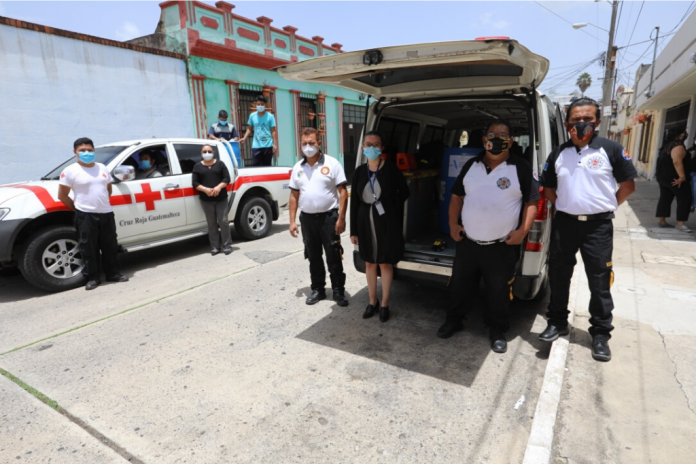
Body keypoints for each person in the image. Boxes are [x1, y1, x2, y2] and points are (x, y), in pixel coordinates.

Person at [539, 97, 637, 362]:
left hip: (598, 228)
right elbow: (548, 188)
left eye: (587, 120)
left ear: (597, 122)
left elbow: (628, 186)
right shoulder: (558, 153)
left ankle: (601, 335)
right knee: (559, 276)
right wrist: (563, 205)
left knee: (600, 282)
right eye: (575, 120)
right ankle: (557, 323)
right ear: (567, 122)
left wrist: (604, 207)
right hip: (565, 224)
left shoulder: (611, 149)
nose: (581, 124)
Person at [437, 120, 539, 353]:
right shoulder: (471, 165)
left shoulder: (521, 167)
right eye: (491, 134)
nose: (496, 138)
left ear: (510, 141)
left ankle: (497, 329)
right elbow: (456, 197)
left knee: (498, 290)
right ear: (484, 140)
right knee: (459, 286)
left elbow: (532, 201)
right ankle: (454, 320)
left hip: (500, 246)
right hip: (468, 243)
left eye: (502, 135)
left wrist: (523, 231)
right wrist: (453, 224)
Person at [350, 131, 410, 323]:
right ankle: (371, 301)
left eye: (376, 145)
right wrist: (353, 230)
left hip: (386, 221)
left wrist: (391, 208)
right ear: (362, 148)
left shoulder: (391, 169)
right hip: (364, 221)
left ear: (382, 148)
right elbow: (355, 203)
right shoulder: (359, 171)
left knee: (385, 262)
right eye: (368, 144)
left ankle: (384, 303)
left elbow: (405, 192)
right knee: (369, 262)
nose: (372, 148)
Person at [57, 137, 129, 290]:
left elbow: (107, 189)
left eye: (89, 150)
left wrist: (102, 203)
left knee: (110, 246)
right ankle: (93, 278)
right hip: (85, 215)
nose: (86, 153)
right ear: (75, 152)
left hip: (106, 213)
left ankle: (113, 274)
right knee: (88, 248)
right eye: (82, 150)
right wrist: (78, 209)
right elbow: (62, 195)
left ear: (93, 150)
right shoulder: (70, 171)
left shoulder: (102, 167)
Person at [289, 127, 349, 306]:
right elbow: (293, 195)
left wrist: (341, 218)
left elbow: (343, 192)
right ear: (300, 145)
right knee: (313, 256)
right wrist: (292, 221)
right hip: (307, 219)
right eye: (304, 143)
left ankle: (338, 290)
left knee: (333, 255)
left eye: (312, 143)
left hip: (329, 218)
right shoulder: (298, 167)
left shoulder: (332, 164)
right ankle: (318, 290)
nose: (308, 146)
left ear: (319, 143)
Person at [192, 144, 232, 256]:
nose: (207, 153)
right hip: (206, 200)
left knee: (223, 221)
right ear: (201, 153)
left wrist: (218, 187)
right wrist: (205, 189)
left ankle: (227, 245)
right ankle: (215, 247)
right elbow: (195, 183)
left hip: (221, 198)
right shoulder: (197, 167)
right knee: (211, 223)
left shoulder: (220, 164)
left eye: (209, 151)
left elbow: (226, 178)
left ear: (213, 153)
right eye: (204, 151)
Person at [655, 127, 691, 231]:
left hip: (663, 177)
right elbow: (677, 161)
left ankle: (662, 221)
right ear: (679, 134)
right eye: (684, 132)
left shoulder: (667, 145)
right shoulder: (677, 146)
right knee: (684, 198)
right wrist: (682, 177)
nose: (686, 134)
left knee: (665, 198)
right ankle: (680, 223)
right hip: (675, 178)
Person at [239, 96, 277, 166]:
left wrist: (274, 144)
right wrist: (244, 138)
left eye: (262, 104)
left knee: (267, 166)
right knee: (256, 166)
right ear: (256, 105)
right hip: (256, 145)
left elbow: (273, 131)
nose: (260, 106)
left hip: (268, 145)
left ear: (265, 105)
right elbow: (249, 129)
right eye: (258, 104)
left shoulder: (270, 116)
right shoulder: (252, 116)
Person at [689, 134, 696, 213]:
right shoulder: (691, 149)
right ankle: (691, 205)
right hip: (690, 172)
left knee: (695, 190)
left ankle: (694, 205)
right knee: (691, 190)